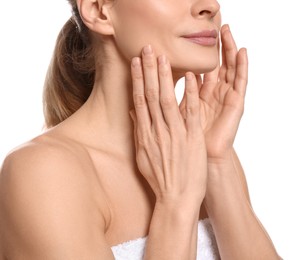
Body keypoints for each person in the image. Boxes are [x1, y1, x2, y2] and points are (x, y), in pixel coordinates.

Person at [0, 0, 282, 259]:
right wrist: (175, 204)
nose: (210, 5)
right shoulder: (44, 172)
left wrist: (217, 161)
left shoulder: (200, 150)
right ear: (99, 11)